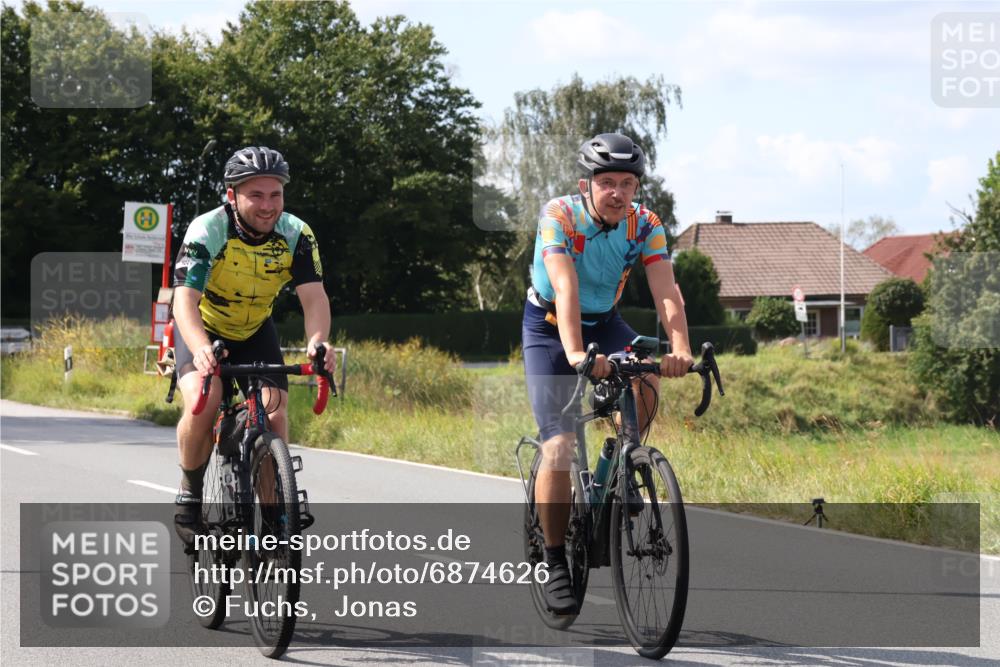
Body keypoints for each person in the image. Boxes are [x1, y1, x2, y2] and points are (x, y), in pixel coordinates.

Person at [523, 133, 693, 614]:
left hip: (606, 320)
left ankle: (622, 463)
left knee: (646, 378)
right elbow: (564, 283)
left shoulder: (645, 224)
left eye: (627, 183)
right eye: (607, 183)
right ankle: (555, 559)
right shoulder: (559, 216)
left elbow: (665, 288)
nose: (618, 192)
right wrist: (576, 353)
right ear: (586, 185)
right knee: (558, 445)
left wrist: (678, 347)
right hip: (550, 324)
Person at [171, 146, 335, 544]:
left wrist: (318, 344)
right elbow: (184, 301)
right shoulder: (208, 230)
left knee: (274, 415)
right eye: (256, 195)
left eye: (275, 194)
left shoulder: (297, 234)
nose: (267, 206)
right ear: (232, 196)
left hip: (256, 329)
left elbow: (314, 297)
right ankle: (190, 492)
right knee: (204, 402)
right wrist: (202, 347)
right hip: (203, 327)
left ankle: (275, 515)